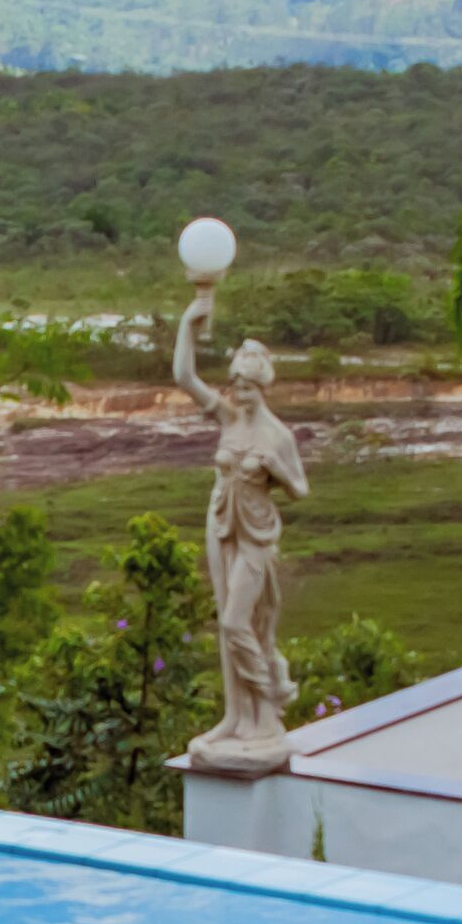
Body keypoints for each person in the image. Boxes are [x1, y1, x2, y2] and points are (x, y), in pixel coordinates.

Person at [171, 282, 310, 775]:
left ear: (264, 387)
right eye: (236, 386)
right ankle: (235, 717)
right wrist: (191, 321)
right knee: (225, 627)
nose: (239, 394)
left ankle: (268, 707)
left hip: (256, 536)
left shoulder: (278, 435)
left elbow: (299, 489)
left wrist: (274, 465)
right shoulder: (228, 417)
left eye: (248, 387)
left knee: (241, 622)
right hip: (219, 524)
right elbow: (184, 375)